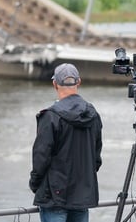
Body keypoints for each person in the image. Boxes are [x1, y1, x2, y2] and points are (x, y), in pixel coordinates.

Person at [29, 63, 103, 222]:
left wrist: (35, 185)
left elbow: (41, 157)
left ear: (55, 84)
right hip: (82, 195)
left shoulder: (50, 116)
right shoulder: (93, 115)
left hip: (55, 195)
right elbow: (96, 158)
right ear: (79, 82)